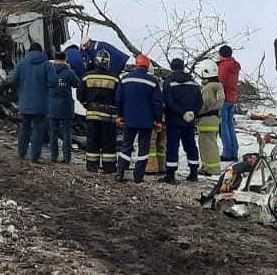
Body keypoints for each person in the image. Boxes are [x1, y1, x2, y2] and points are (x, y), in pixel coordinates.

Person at [115, 53, 164, 183]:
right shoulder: (153, 81)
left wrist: (120, 115)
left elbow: (119, 98)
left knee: (126, 145)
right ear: (147, 65)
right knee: (143, 148)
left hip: (129, 119)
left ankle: (120, 172)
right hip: (146, 121)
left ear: (136, 64)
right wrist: (158, 120)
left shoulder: (125, 79)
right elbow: (157, 103)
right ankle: (138, 176)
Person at [6, 42, 51, 164]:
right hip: (41, 104)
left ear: (29, 51)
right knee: (38, 129)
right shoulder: (47, 65)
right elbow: (54, 82)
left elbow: (12, 80)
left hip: (25, 103)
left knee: (25, 128)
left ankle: (21, 153)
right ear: (41, 52)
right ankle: (35, 156)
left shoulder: (21, 64)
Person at [161, 58, 203, 182]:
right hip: (189, 120)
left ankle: (170, 174)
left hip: (174, 120)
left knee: (172, 146)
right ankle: (194, 172)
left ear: (172, 68)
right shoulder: (193, 82)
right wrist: (192, 113)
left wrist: (181, 112)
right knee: (190, 145)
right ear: (183, 67)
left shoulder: (169, 81)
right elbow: (200, 101)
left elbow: (168, 100)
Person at [79, 48, 120, 173]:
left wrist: (87, 104)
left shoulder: (87, 76)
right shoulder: (115, 78)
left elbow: (80, 94)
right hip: (109, 115)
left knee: (92, 139)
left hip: (92, 113)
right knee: (108, 140)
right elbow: (119, 97)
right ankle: (109, 167)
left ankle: (92, 165)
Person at [45, 52, 81, 164]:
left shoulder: (49, 72)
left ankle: (53, 156)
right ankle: (67, 157)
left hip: (52, 105)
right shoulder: (69, 73)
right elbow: (77, 84)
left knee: (53, 131)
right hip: (66, 106)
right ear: (65, 60)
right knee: (66, 132)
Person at [195, 58, 227, 176]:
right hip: (215, 119)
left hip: (207, 121)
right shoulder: (218, 85)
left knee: (207, 146)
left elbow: (206, 104)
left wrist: (195, 112)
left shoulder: (208, 87)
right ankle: (211, 167)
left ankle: (211, 169)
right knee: (212, 144)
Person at [217, 44, 242, 163]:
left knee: (223, 126)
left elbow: (220, 82)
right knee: (230, 125)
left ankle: (227, 152)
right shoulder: (234, 66)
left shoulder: (223, 66)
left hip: (223, 98)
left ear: (221, 54)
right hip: (232, 97)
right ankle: (234, 151)